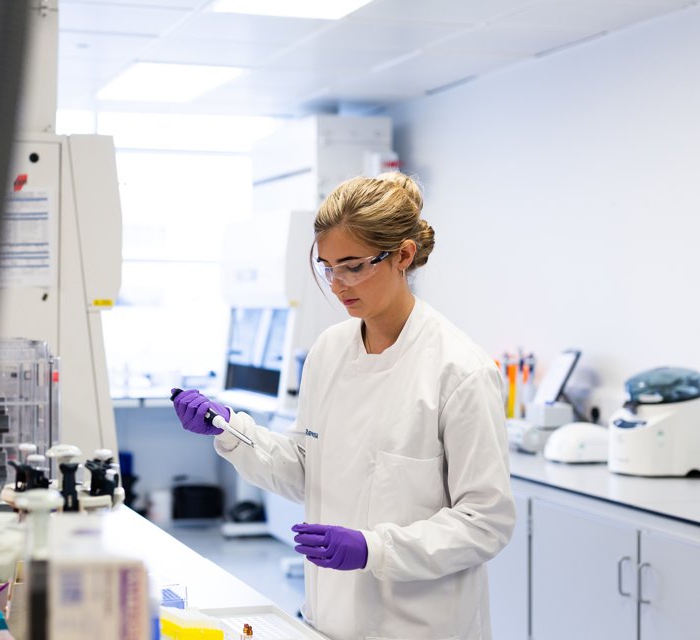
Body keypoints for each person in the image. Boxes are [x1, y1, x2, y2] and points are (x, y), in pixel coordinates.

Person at [171, 173, 516, 640]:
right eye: (328, 267)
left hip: (419, 626)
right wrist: (230, 430)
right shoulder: (329, 351)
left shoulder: (460, 370)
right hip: (329, 618)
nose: (337, 284)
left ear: (403, 256)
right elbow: (307, 470)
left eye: (353, 266)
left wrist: (373, 548)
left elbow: (485, 523)